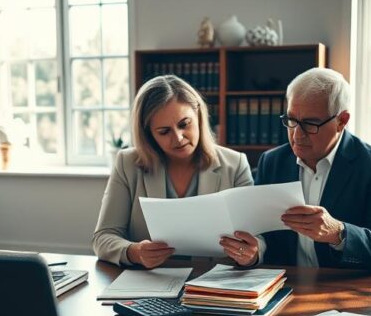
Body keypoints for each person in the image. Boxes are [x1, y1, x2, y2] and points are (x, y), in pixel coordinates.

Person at [222, 68, 371, 272]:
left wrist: (338, 233)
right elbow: (264, 236)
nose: (297, 135)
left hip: (346, 287)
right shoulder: (272, 161)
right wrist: (254, 253)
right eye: (291, 120)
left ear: (341, 121)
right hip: (286, 286)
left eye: (311, 123)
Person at [93, 75, 256, 268]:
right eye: (164, 131)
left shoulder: (235, 164)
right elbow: (103, 238)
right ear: (149, 134)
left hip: (213, 284)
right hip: (150, 282)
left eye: (184, 124)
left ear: (199, 115)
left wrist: (251, 254)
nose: (178, 138)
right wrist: (135, 252)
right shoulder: (127, 164)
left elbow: (256, 239)